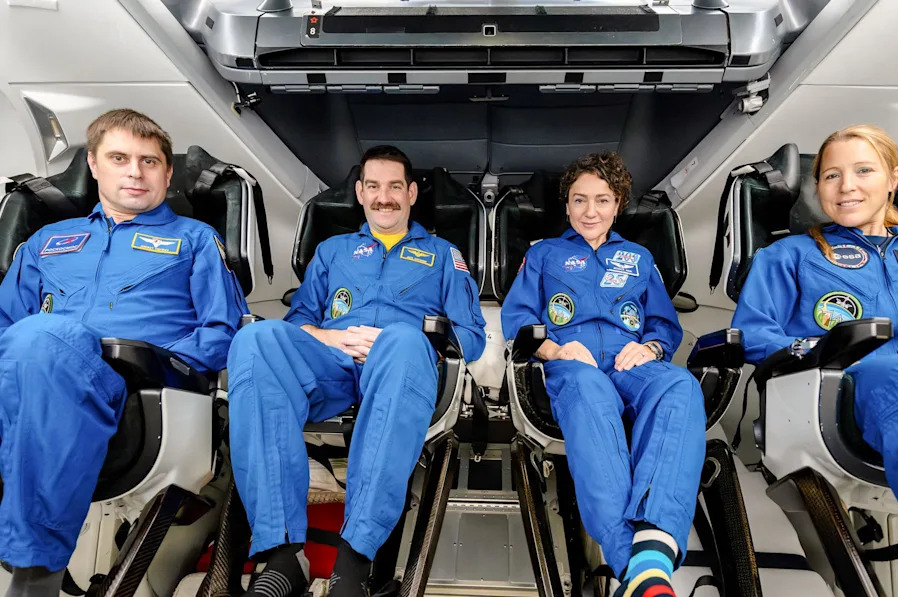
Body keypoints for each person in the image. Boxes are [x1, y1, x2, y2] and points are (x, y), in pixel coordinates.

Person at [0, 109, 248, 597]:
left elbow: (223, 332)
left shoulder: (195, 240)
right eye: (119, 158)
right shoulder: (44, 243)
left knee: (44, 336)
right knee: (34, 343)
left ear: (167, 172)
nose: (135, 171)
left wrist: (156, 361)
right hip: (29, 377)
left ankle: (33, 575)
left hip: (135, 387)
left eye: (149, 161)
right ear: (93, 165)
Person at [227, 146, 486, 597]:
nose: (383, 197)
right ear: (361, 194)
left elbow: (473, 336)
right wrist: (330, 338)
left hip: (403, 367)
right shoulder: (332, 251)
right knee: (256, 339)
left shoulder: (445, 255)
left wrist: (403, 342)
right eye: (373, 187)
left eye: (393, 187)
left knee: (403, 340)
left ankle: (353, 564)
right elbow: (298, 323)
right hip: (331, 362)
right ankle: (283, 559)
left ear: (411, 193)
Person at [732, 124, 898, 594]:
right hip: (845, 390)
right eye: (830, 176)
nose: (846, 186)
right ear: (817, 188)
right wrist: (815, 350)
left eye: (863, 170)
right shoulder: (789, 255)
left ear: (893, 178)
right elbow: (754, 332)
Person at [501, 152, 705, 597]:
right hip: (571, 364)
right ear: (567, 205)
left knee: (680, 385)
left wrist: (648, 347)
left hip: (630, 361)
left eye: (602, 200)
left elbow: (664, 325)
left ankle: (652, 546)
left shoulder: (639, 257)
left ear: (618, 205)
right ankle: (635, 565)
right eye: (579, 200)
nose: (590, 211)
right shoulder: (543, 255)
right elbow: (517, 321)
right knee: (589, 390)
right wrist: (556, 348)